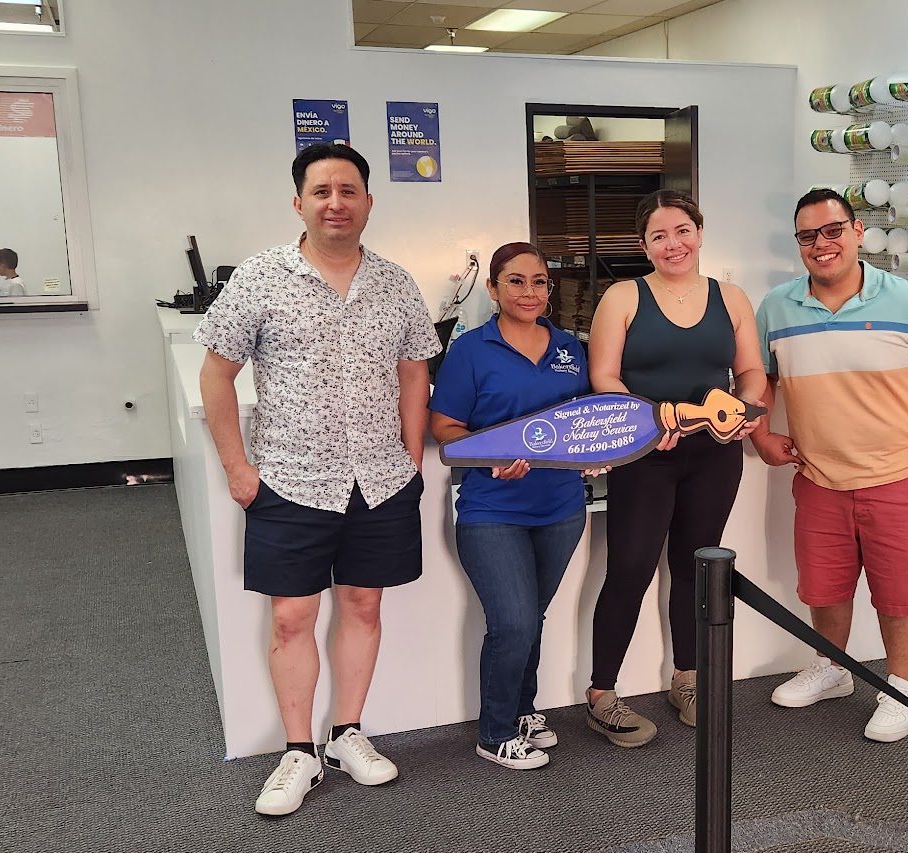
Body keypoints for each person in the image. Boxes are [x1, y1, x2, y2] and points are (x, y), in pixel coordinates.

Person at [193, 142, 440, 814]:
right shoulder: (260, 278)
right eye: (322, 191)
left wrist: (411, 458)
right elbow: (216, 374)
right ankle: (298, 751)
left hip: (379, 481)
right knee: (292, 618)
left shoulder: (395, 283)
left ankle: (347, 733)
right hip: (291, 480)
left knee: (364, 607)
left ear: (368, 202)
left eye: (348, 191)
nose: (336, 203)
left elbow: (414, 370)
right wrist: (239, 469)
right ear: (298, 202)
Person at [753, 188, 908, 743]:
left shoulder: (907, 300)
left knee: (900, 592)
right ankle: (832, 668)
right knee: (824, 587)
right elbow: (759, 379)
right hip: (818, 477)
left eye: (832, 231)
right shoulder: (776, 307)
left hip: (900, 475)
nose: (821, 244)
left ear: (856, 233)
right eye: (808, 236)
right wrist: (761, 433)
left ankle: (904, 686)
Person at [582, 189, 766, 746]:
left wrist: (746, 409)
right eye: (659, 236)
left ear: (700, 233)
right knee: (630, 568)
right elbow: (604, 376)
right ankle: (601, 694)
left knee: (694, 567)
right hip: (645, 455)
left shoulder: (731, 297)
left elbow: (751, 372)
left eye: (682, 231)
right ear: (644, 246)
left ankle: (687, 678)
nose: (673, 244)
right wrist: (646, 421)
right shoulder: (623, 296)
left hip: (714, 455)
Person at [430, 242, 594, 771]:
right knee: (514, 621)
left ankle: (523, 712)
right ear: (493, 288)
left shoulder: (569, 347)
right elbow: (444, 427)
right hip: (492, 509)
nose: (530, 292)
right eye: (516, 281)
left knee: (532, 617)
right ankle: (495, 732)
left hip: (561, 507)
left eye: (539, 281)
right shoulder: (470, 350)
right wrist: (493, 453)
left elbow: (585, 419)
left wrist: (598, 455)